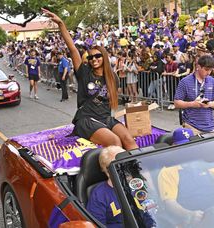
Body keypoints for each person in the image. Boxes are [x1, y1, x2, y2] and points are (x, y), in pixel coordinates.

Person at [42, 8, 137, 150]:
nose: (94, 59)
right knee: (115, 142)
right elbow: (73, 49)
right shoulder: (84, 72)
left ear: (104, 57)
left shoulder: (113, 77)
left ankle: (138, 171)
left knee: (128, 139)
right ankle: (120, 173)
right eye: (90, 57)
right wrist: (61, 24)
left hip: (106, 119)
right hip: (86, 119)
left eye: (97, 56)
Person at [87, 146, 156, 228]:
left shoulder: (136, 185)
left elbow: (149, 213)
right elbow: (96, 224)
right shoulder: (100, 194)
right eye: (123, 166)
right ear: (109, 171)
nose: (129, 170)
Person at [174, 55, 214, 134]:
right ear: (198, 66)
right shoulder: (185, 81)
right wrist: (192, 104)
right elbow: (176, 103)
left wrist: (209, 104)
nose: (208, 73)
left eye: (211, 70)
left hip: (210, 126)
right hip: (191, 126)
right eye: (206, 69)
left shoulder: (212, 81)